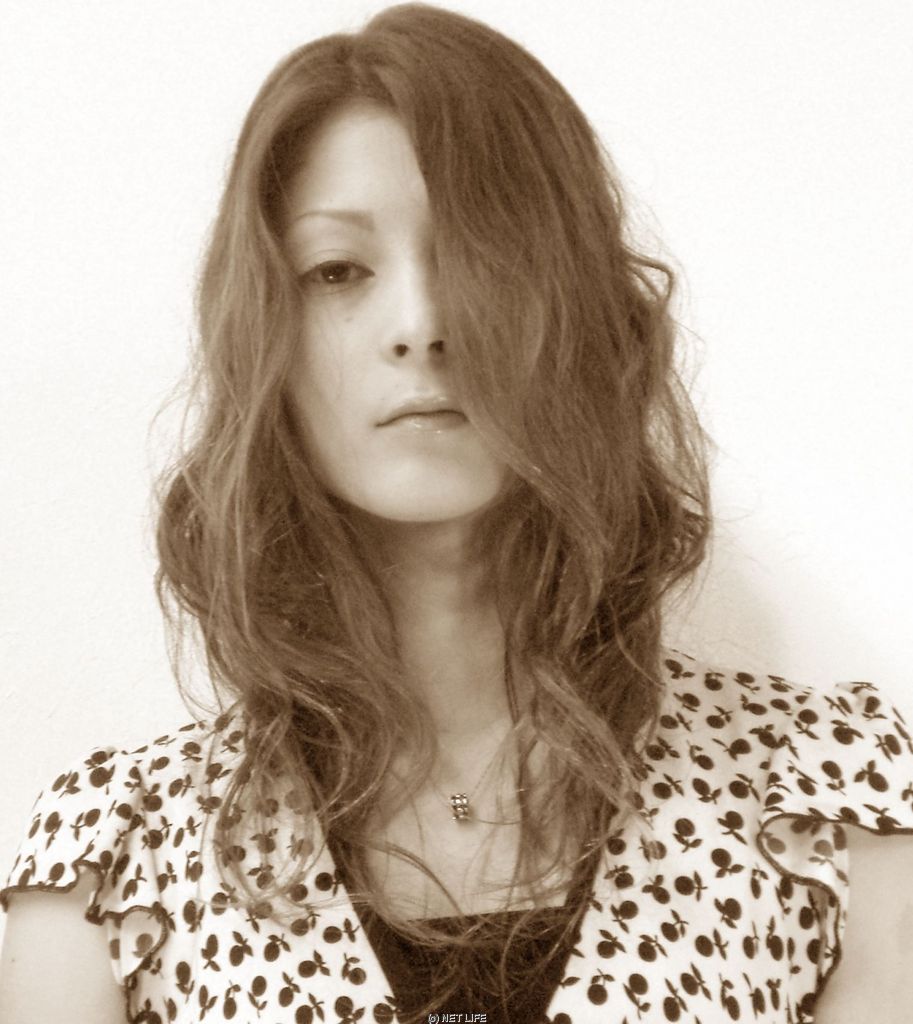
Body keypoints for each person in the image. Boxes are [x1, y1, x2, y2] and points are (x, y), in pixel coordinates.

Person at [1, 4, 911, 1022]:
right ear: (265, 338)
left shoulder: (821, 800)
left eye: (480, 256)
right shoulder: (118, 859)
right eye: (337, 271)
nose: (422, 324)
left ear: (578, 311)